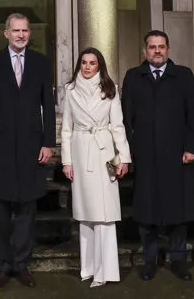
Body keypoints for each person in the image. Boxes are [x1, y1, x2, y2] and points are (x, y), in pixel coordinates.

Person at [0, 12, 57, 289]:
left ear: (29, 34)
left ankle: (21, 264)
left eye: (25, 30)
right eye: (16, 30)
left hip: (32, 148)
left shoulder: (42, 64)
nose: (21, 35)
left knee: (26, 211)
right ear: (6, 33)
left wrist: (49, 142)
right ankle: (1, 266)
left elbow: (48, 103)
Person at [121, 30, 194, 282]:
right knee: (146, 212)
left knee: (178, 211)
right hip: (145, 156)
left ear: (168, 49)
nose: (157, 51)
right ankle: (150, 260)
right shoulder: (134, 77)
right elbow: (125, 118)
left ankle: (178, 260)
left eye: (161, 46)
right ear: (145, 51)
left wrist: (192, 147)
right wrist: (131, 150)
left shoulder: (184, 76)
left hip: (177, 156)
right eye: (152, 47)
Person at [60, 48, 131, 287]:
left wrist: (124, 158)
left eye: (92, 63)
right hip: (80, 153)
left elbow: (118, 125)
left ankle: (107, 271)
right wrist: (67, 161)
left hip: (104, 153)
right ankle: (88, 268)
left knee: (105, 214)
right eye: (84, 62)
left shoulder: (110, 89)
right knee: (85, 214)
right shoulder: (70, 91)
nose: (88, 67)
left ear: (100, 65)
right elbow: (67, 129)